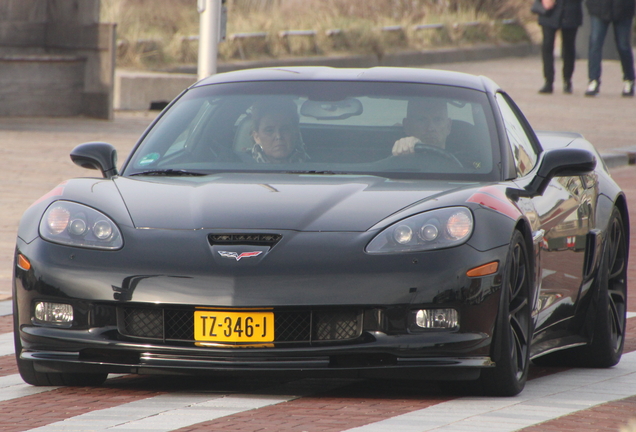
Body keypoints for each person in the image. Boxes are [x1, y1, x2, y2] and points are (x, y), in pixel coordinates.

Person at [584, 0, 635, 97]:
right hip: (598, 7)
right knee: (595, 43)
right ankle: (593, 80)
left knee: (623, 46)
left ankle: (629, 79)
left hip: (623, 8)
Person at [536, 0, 583, 94]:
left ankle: (567, 79)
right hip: (549, 9)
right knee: (547, 45)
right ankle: (548, 81)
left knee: (568, 46)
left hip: (570, 9)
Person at [250, 99, 309, 163]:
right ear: (257, 137)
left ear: (295, 133)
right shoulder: (242, 166)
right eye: (269, 130)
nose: (279, 136)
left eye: (285, 129)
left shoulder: (314, 166)